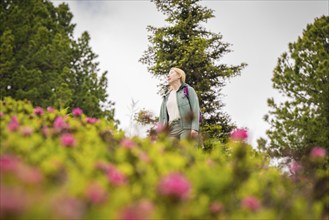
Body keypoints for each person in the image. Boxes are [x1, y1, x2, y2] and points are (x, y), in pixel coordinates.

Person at [158, 67, 201, 139]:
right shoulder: (166, 96)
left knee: (185, 149)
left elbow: (195, 108)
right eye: (168, 74)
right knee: (170, 150)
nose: (168, 75)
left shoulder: (188, 90)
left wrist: (195, 128)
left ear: (179, 75)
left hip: (185, 126)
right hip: (171, 128)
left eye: (171, 73)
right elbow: (162, 116)